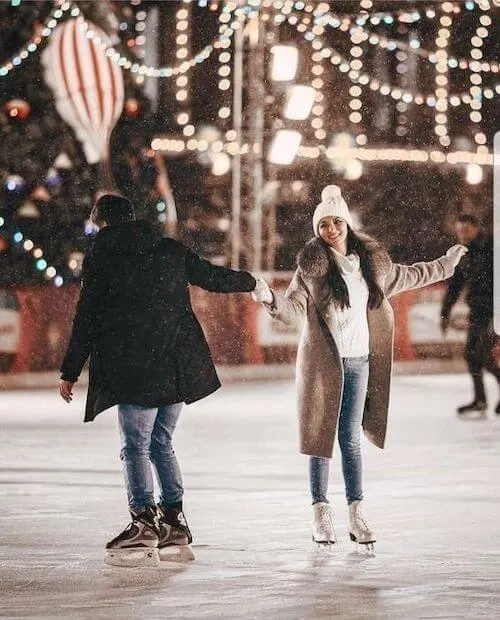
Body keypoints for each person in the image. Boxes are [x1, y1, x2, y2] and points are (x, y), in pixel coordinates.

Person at [251, 185, 467, 549]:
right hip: (322, 366)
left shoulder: (374, 266)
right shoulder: (312, 270)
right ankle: (320, 511)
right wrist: (268, 297)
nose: (331, 230)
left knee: (349, 439)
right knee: (319, 439)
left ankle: (356, 511)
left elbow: (414, 274)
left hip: (359, 363)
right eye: (324, 225)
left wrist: (447, 264)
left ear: (347, 223)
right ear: (317, 230)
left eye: (336, 222)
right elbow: (292, 312)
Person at [58, 194, 256, 567]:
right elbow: (212, 278)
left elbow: (86, 318)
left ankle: (143, 522)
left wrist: (70, 369)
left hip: (135, 366)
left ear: (103, 223)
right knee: (161, 443)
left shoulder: (103, 257)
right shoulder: (170, 249)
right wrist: (252, 283)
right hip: (176, 363)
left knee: (135, 445)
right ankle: (174, 522)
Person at [440, 214, 500, 416]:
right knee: (474, 355)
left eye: (466, 230)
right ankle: (480, 400)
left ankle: (481, 400)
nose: (462, 235)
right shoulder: (463, 253)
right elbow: (455, 285)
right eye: (459, 232)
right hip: (478, 310)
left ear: (475, 229)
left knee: (480, 353)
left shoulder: (491, 247)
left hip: (492, 310)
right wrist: (445, 312)